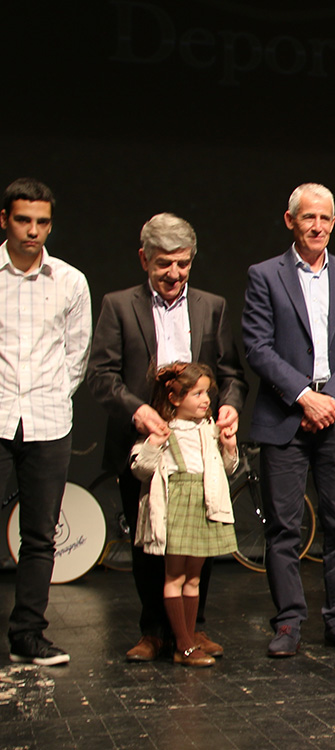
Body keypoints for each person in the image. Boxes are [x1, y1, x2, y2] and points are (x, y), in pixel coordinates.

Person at [89, 212, 248, 663]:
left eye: (182, 263)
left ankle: (192, 630)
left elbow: (232, 372)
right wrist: (137, 410)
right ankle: (153, 631)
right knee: (149, 542)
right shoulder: (120, 305)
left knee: (198, 540)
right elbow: (100, 375)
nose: (173, 274)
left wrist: (229, 404)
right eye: (163, 264)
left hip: (199, 448)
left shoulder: (210, 306)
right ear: (144, 260)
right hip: (145, 443)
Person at [241, 183, 335, 656]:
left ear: (333, 223)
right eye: (308, 218)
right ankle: (288, 624)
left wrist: (330, 398)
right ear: (290, 220)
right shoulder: (265, 275)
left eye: (325, 219)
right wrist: (303, 397)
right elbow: (257, 346)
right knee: (284, 527)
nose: (317, 226)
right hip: (285, 416)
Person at [0, 178, 90, 667]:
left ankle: (28, 635)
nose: (32, 231)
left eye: (41, 222)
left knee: (39, 536)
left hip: (48, 422)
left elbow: (77, 353)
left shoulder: (70, 281)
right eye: (22, 220)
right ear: (4, 220)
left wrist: (55, 397)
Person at [130, 363, 241, 667]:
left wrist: (229, 447)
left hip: (203, 502)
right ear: (176, 398)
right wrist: (152, 444)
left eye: (207, 393)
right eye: (198, 393)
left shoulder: (208, 429)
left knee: (194, 578)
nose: (206, 400)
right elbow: (140, 469)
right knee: (175, 576)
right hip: (176, 504)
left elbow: (226, 470)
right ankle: (183, 643)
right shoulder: (163, 429)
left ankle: (188, 641)